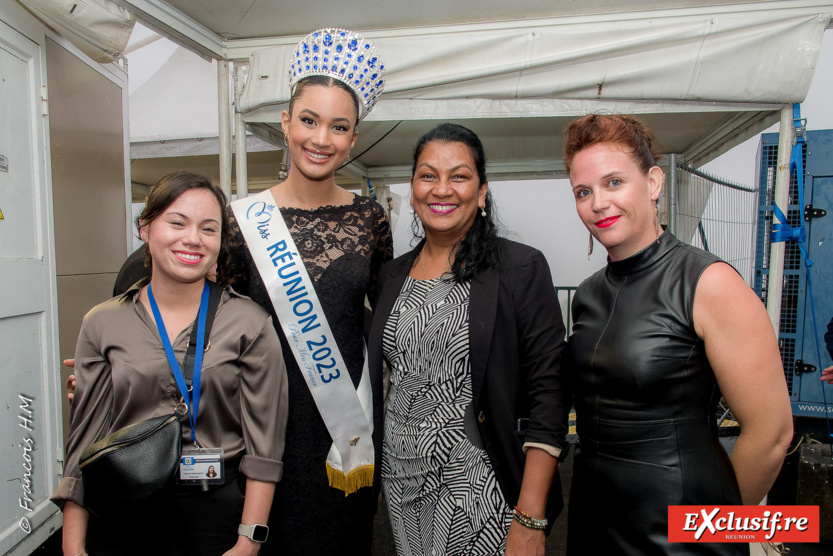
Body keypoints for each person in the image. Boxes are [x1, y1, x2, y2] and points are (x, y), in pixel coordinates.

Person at [66, 28, 393, 554]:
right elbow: (174, 296)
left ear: (354, 139)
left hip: (340, 426)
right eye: (308, 120)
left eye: (339, 127)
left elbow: (380, 321)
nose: (321, 138)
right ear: (285, 123)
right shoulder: (239, 220)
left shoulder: (370, 219)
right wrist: (118, 368)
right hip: (248, 417)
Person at [563, 114, 794, 554]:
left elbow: (772, 434)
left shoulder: (709, 282)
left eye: (614, 182)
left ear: (653, 182)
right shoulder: (589, 295)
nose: (598, 203)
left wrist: (712, 527)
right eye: (583, 191)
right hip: (594, 521)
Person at [52, 172, 289, 556]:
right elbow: (84, 445)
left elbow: (265, 449)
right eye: (177, 222)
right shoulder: (102, 322)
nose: (192, 238)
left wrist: (249, 541)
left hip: (216, 512)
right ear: (145, 228)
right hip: (124, 508)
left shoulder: (249, 322)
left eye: (208, 228)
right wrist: (72, 547)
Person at [369, 123, 569, 555]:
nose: (442, 189)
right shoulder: (390, 274)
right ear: (414, 187)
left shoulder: (519, 268)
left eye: (458, 176)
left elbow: (549, 394)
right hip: (402, 486)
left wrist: (530, 516)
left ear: (481, 193)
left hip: (480, 490)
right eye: (428, 175)